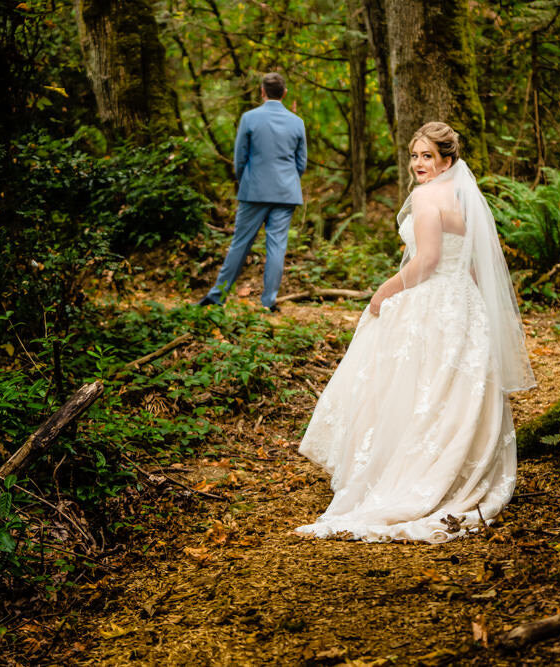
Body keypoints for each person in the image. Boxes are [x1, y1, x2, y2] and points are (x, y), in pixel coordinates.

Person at [296, 122, 536, 543]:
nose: (418, 164)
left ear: (447, 159)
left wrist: (384, 291)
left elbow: (426, 261)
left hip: (434, 301)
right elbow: (475, 264)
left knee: (417, 387)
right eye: (414, 155)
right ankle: (450, 472)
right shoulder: (465, 197)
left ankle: (409, 474)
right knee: (443, 390)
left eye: (427, 156)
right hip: (463, 303)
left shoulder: (427, 197)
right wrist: (477, 309)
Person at [199, 72, 307, 311]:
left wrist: (246, 180)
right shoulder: (297, 122)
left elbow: (239, 158)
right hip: (286, 193)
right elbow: (301, 163)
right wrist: (288, 182)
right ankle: (269, 302)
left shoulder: (249, 118)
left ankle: (217, 296)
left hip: (254, 191)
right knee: (277, 246)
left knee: (240, 243)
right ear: (284, 93)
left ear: (262, 92)